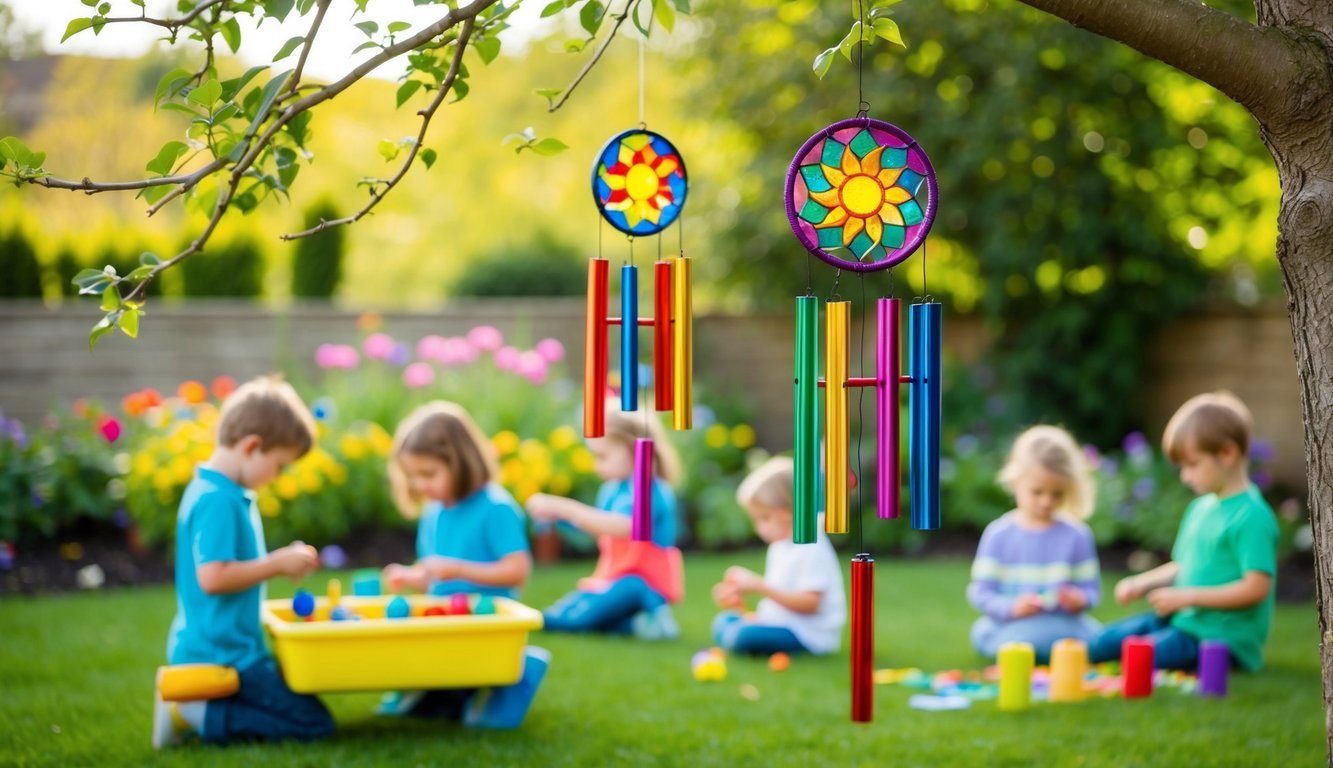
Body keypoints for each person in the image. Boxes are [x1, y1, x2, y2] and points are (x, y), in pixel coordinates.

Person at [154, 376, 334, 749]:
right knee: (314, 723)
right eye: (279, 465)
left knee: (298, 705)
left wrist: (278, 561)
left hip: (230, 645)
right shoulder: (218, 499)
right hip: (222, 653)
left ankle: (202, 709)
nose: (277, 476)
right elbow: (214, 578)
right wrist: (278, 563)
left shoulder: (222, 492)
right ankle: (193, 714)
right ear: (252, 446)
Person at [377, 401, 548, 727]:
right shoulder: (434, 511)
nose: (420, 485)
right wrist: (413, 577)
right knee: (435, 702)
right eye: (412, 477)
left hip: (487, 623)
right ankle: (434, 692)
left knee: (454, 701)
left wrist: (459, 569)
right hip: (447, 621)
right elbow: (435, 575)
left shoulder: (495, 507)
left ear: (462, 462)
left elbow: (518, 571)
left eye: (428, 474)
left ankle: (521, 669)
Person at [1089, 391, 1278, 671]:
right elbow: (1182, 566)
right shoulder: (1200, 509)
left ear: (1227, 453)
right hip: (1184, 618)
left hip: (1220, 638)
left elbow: (1256, 588)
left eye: (1192, 464)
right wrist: (1142, 582)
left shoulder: (1251, 516)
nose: (1185, 476)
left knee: (1138, 659)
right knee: (1100, 644)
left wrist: (1188, 596)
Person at [527, 409, 684, 639]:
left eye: (603, 456)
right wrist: (560, 519)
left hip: (646, 585)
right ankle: (640, 625)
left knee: (620, 593)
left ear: (634, 449)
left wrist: (567, 508)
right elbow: (599, 527)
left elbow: (626, 526)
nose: (596, 465)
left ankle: (565, 622)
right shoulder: (611, 489)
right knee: (583, 599)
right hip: (614, 578)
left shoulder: (650, 490)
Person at [967, 425, 1102, 665]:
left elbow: (1092, 592)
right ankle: (1043, 649)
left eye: (1057, 494)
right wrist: (1012, 607)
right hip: (1010, 624)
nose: (1046, 502)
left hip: (1063, 623)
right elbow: (981, 593)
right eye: (1037, 492)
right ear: (1015, 481)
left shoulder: (1077, 535)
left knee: (1093, 635)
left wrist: (1078, 599)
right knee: (985, 632)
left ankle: (1042, 648)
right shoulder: (998, 534)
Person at [709, 456, 846, 655]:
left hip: (807, 635)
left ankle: (739, 637)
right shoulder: (780, 546)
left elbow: (810, 604)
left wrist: (759, 586)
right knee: (724, 621)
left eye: (765, 518)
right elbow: (781, 591)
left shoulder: (811, 548)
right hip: (783, 624)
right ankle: (739, 633)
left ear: (788, 512)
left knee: (742, 636)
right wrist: (743, 594)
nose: (759, 528)